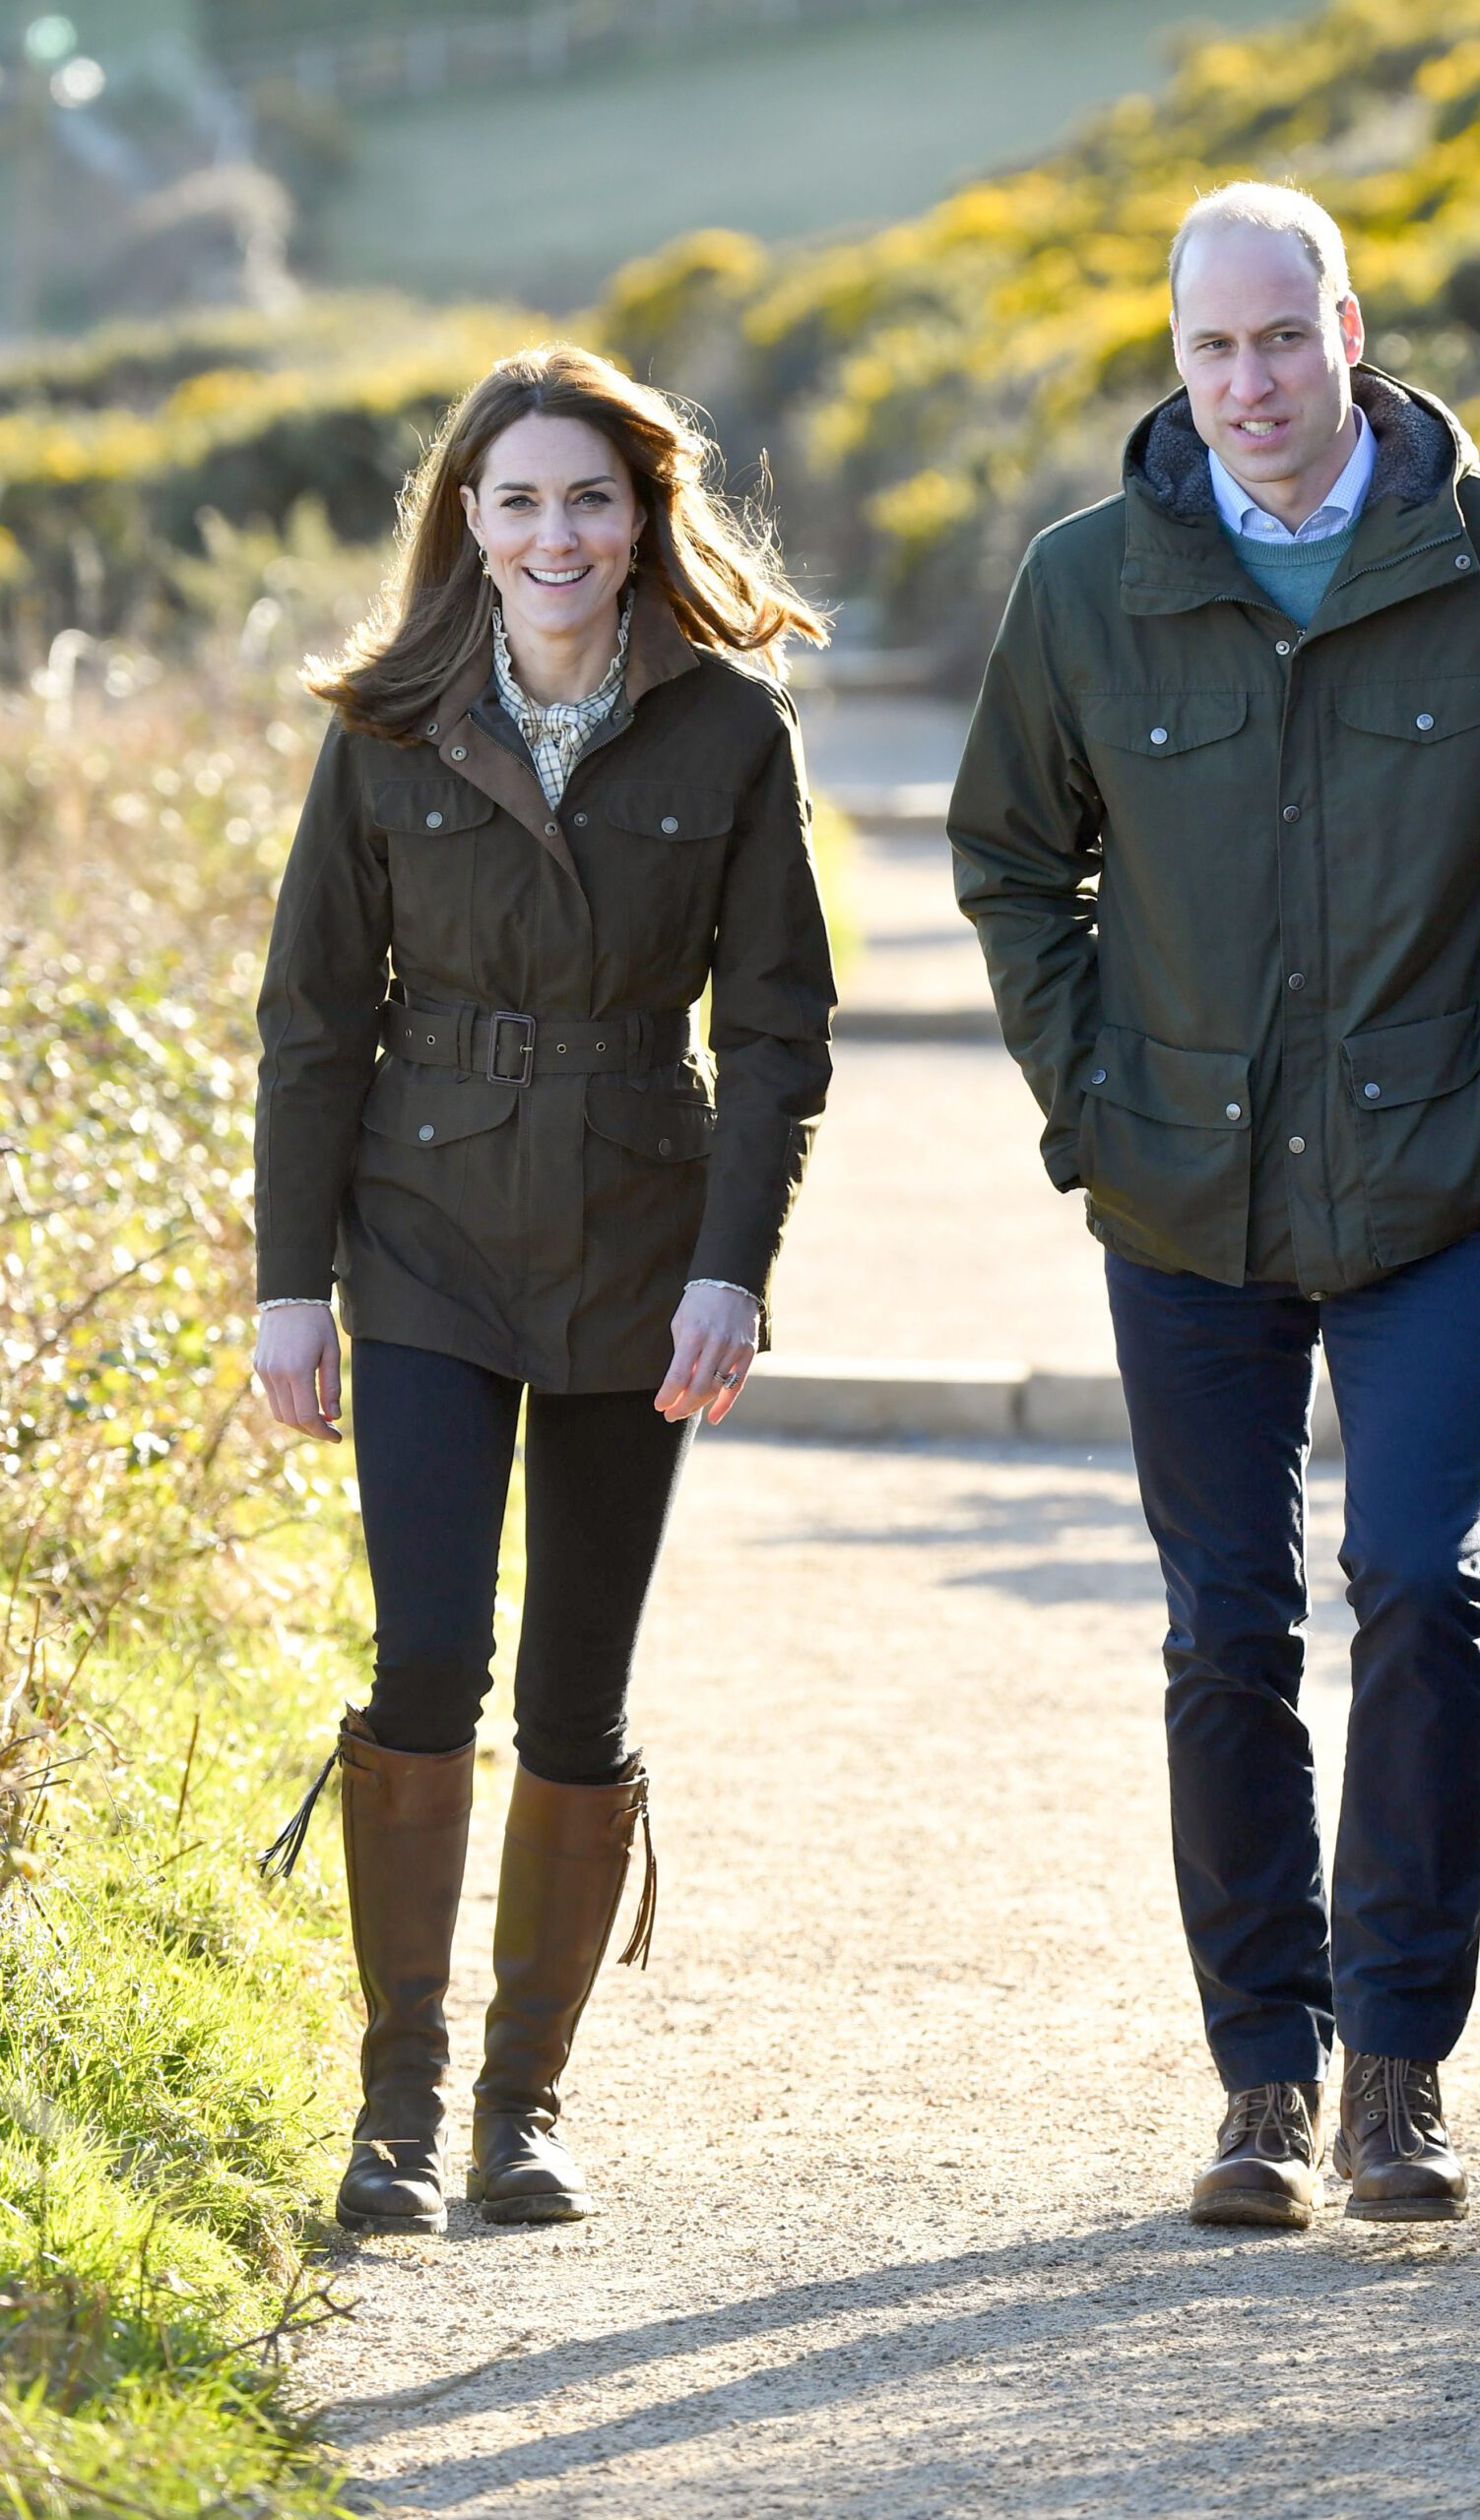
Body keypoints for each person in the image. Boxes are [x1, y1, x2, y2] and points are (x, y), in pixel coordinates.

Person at [949, 183, 1480, 2228]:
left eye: (1280, 339)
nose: (1248, 385)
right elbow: (1009, 859)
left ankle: (1398, 2073)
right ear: (1173, 360)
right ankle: (1260, 2080)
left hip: (1439, 1177)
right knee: (1221, 1624)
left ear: (1345, 327)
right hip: (1178, 1193)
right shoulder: (1086, 584)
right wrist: (1091, 1097)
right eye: (1209, 350)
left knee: (1418, 1587)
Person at [251, 344, 834, 2235]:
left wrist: (732, 1269)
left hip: (636, 1254)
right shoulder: (384, 731)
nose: (556, 532)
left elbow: (775, 1032)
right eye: (518, 500)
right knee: (427, 1660)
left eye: (589, 496)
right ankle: (396, 2109)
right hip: (416, 1244)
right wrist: (289, 1291)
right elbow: (313, 1025)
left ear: (639, 513)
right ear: (470, 525)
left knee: (579, 1691)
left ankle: (524, 2108)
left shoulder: (732, 735)